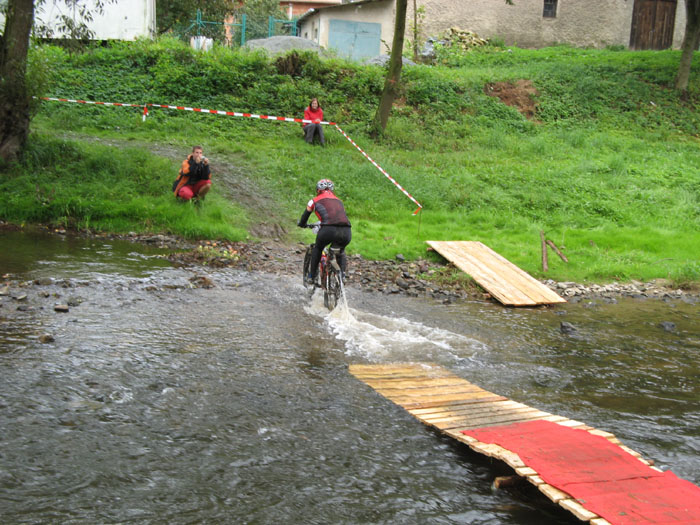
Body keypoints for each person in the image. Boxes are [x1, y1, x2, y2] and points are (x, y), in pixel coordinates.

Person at [297, 179, 351, 285]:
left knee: (318, 248)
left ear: (318, 190)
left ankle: (311, 276)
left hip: (328, 229)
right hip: (346, 230)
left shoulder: (314, 201)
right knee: (340, 251)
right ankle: (343, 275)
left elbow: (305, 217)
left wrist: (302, 224)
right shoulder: (339, 201)